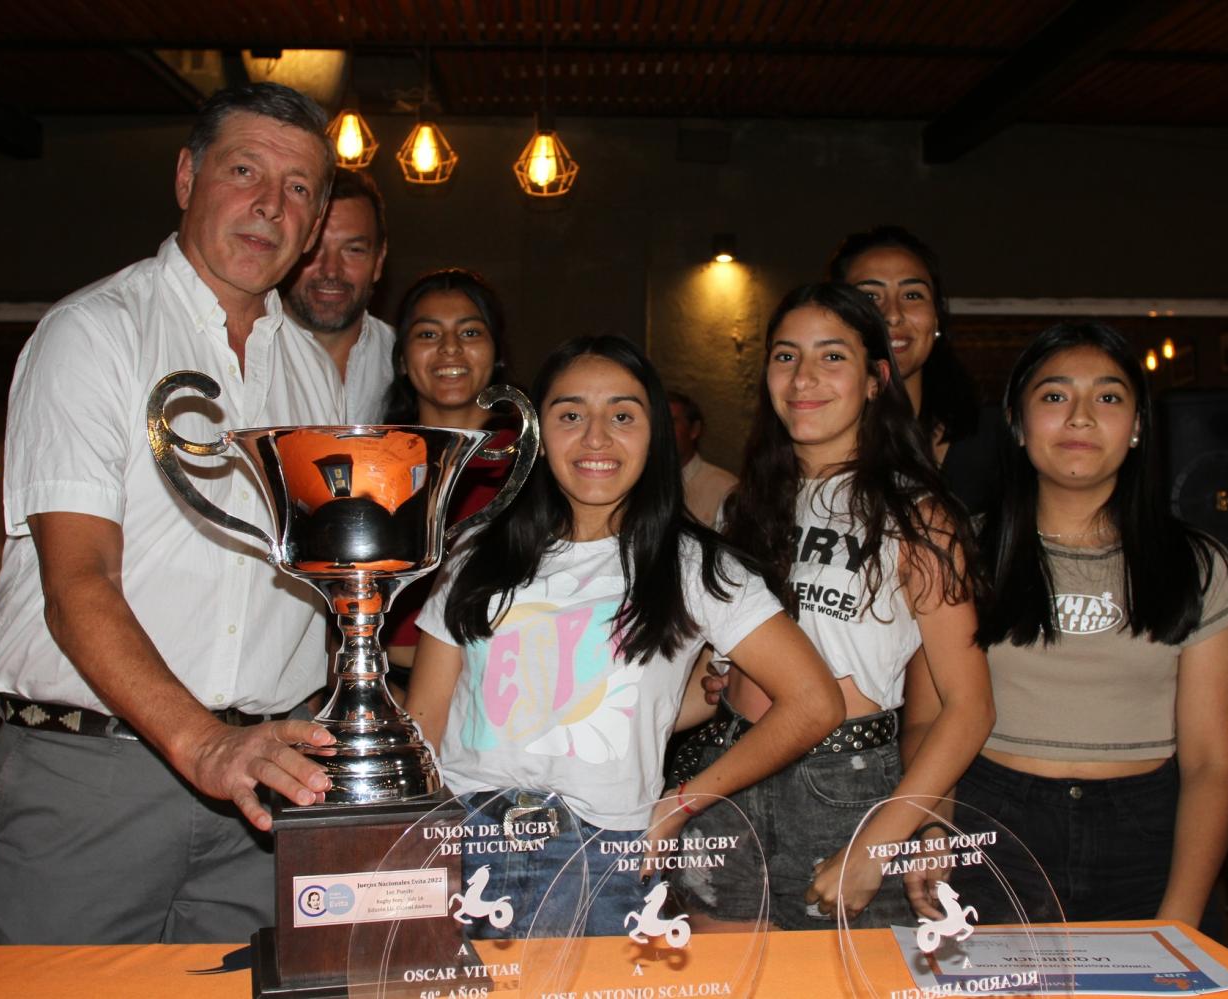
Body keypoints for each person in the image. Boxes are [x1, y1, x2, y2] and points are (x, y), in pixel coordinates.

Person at [0, 83, 345, 945]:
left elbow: (317, 584)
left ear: (319, 215)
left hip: (264, 783)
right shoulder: (94, 334)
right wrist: (205, 745)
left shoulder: (313, 376)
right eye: (245, 171)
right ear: (187, 177)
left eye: (299, 188)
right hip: (95, 776)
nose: (270, 206)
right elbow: (79, 582)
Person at [402, 335, 844, 935]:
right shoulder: (475, 553)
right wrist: (403, 849)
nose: (595, 438)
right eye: (570, 414)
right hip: (460, 842)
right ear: (536, 432)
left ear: (655, 435)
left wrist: (686, 800)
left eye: (622, 415)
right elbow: (423, 723)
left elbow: (814, 702)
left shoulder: (697, 566)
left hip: (601, 858)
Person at [673, 283, 995, 930]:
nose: (804, 378)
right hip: (727, 764)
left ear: (877, 379)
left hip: (842, 784)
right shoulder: (742, 507)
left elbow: (969, 706)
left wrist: (884, 840)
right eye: (786, 356)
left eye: (832, 356)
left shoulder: (920, 517)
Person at [957, 321, 1228, 926]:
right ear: (1017, 424)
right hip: (989, 828)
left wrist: (1179, 916)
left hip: (1145, 839)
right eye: (1054, 396)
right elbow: (929, 720)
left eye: (1110, 397)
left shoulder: (1201, 567)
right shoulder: (961, 553)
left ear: (1139, 426)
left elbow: (1211, 764)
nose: (1081, 417)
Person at [379, 269, 515, 684]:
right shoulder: (375, 460)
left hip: (499, 689)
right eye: (428, 335)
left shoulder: (531, 459)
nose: (451, 349)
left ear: (497, 352)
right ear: (402, 358)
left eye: (471, 333)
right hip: (389, 686)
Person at [829, 225, 1007, 516]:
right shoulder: (811, 440)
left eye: (912, 295)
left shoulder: (994, 438)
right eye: (870, 297)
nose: (893, 314)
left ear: (936, 319)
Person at [282, 167, 397, 424]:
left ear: (378, 260)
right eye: (313, 250)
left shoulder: (406, 363)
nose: (331, 270)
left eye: (353, 250)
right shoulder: (241, 355)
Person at [668, 390, 738, 525]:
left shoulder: (725, 489)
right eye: (656, 423)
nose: (661, 431)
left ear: (694, 430)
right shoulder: (639, 484)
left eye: (671, 422)